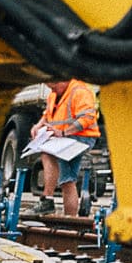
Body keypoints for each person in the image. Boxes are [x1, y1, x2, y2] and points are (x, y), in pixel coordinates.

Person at [25, 78, 101, 218]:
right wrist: (38, 125)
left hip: (82, 138)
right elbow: (47, 115)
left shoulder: (79, 91)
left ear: (63, 80)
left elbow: (86, 118)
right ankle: (69, 219)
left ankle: (47, 200)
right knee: (67, 181)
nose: (52, 90)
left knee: (47, 153)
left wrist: (64, 132)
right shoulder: (54, 94)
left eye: (53, 87)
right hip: (66, 139)